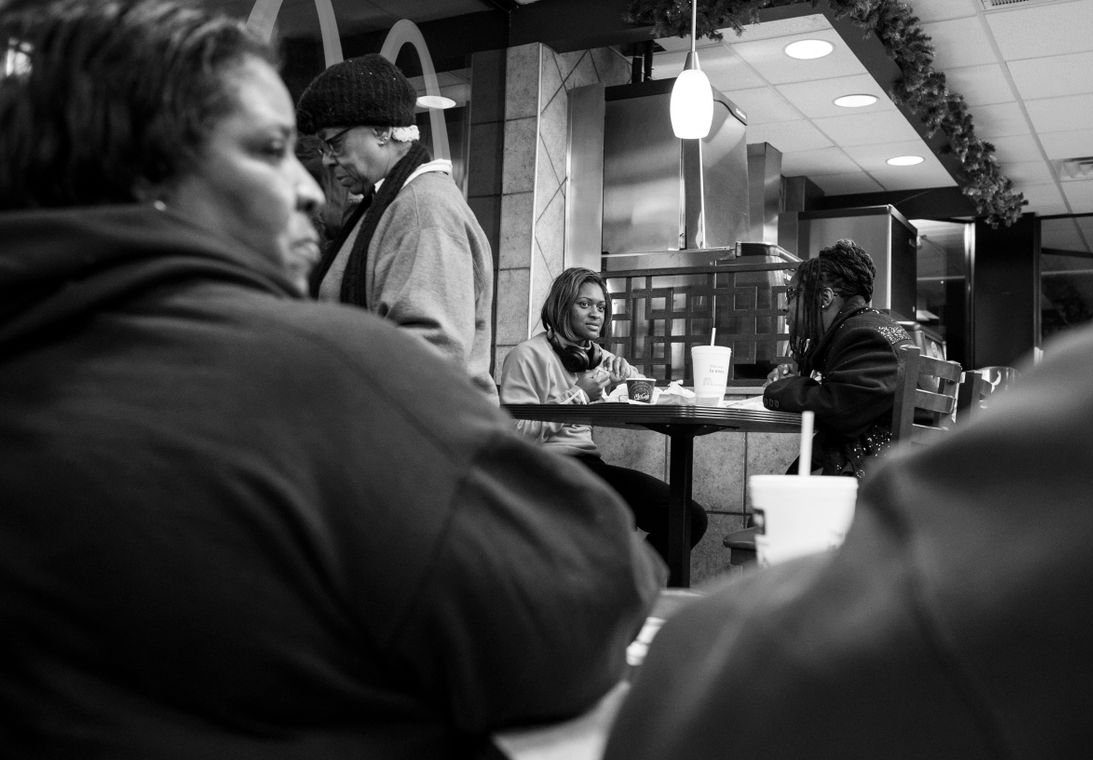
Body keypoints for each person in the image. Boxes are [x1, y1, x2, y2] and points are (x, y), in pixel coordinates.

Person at [0, 2, 665, 758]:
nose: (313, 186)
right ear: (146, 171)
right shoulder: (322, 377)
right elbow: (583, 603)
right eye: (273, 147)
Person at [602, 4, 1093, 755]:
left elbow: (833, 399)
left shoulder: (865, 337)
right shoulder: (888, 329)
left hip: (853, 490)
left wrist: (789, 382)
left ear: (823, 296)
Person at [295, 53, 498, 404]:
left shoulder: (423, 210)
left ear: (383, 130)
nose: (328, 158)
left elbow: (429, 358)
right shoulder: (394, 205)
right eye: (324, 147)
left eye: (335, 143)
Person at [499, 267, 708, 568]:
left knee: (687, 517)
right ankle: (628, 593)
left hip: (588, 466)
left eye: (601, 307)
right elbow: (514, 435)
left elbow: (649, 398)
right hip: (542, 469)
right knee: (678, 517)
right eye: (584, 304)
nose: (596, 313)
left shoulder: (596, 356)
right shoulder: (526, 356)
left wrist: (630, 378)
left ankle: (632, 592)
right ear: (561, 306)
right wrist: (579, 394)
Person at [762, 239, 914, 479]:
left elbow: (838, 410)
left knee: (772, 513)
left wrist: (778, 388)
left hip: (874, 478)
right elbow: (848, 398)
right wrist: (799, 380)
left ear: (824, 298)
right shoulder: (866, 327)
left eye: (793, 294)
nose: (786, 306)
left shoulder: (863, 335)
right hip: (888, 468)